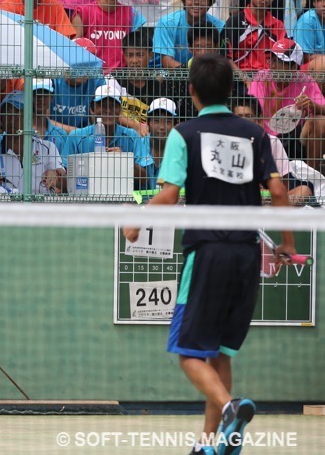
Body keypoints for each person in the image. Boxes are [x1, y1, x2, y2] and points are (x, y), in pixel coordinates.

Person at [123, 55, 296, 455]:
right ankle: (210, 444)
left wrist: (135, 222)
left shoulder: (184, 134)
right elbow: (280, 192)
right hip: (247, 256)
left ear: (192, 92)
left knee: (187, 353)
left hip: (208, 253)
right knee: (218, 352)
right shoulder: (256, 134)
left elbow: (167, 194)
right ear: (231, 90)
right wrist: (287, 243)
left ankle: (231, 407)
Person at [0, 89, 66, 195]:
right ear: (1, 119)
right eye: (7, 113)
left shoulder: (48, 148)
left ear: (30, 117)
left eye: (18, 113)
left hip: (40, 210)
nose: (11, 120)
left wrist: (56, 174)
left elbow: (66, 184)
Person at [247, 38, 325, 168]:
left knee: (321, 121)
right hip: (266, 138)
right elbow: (254, 112)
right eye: (272, 59)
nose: (273, 65)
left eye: (279, 61)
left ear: (294, 67)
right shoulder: (262, 78)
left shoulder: (306, 81)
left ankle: (311, 176)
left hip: (294, 138)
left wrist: (312, 105)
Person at [61, 84, 153, 188]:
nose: (108, 110)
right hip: (85, 199)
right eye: (103, 105)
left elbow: (145, 178)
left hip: (123, 200)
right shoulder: (76, 137)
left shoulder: (131, 136)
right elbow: (64, 178)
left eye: (113, 106)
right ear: (92, 109)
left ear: (120, 110)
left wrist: (125, 161)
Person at [72, 0, 146, 71]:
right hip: (91, 76)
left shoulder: (131, 13)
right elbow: (74, 49)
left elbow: (137, 49)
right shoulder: (83, 13)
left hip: (121, 77)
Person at [152, 0, 225, 69]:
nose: (197, 2)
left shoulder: (220, 26)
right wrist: (195, 74)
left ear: (210, 2)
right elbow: (167, 62)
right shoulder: (166, 23)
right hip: (173, 76)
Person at [224, 0, 285, 75]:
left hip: (269, 79)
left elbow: (284, 58)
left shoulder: (278, 25)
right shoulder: (234, 22)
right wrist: (246, 80)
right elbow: (226, 58)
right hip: (241, 79)